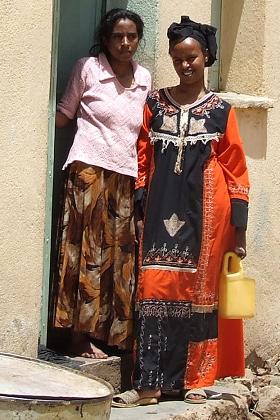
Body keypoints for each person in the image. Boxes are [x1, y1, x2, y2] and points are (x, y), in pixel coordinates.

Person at [112, 16, 249, 407]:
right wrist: (140, 200)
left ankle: (196, 380)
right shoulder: (155, 103)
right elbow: (142, 155)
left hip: (209, 216)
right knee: (154, 290)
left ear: (206, 57)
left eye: (191, 58)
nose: (184, 65)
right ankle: (149, 383)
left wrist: (238, 229)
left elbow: (237, 169)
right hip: (160, 211)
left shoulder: (221, 110)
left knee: (199, 297)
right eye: (177, 58)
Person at [52, 8, 152, 359]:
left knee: (120, 257)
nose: (125, 43)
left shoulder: (144, 78)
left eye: (132, 36)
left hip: (124, 175)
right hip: (89, 171)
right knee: (87, 253)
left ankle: (112, 335)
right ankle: (78, 337)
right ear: (105, 39)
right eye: (117, 37)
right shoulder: (88, 69)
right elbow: (63, 117)